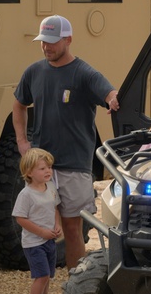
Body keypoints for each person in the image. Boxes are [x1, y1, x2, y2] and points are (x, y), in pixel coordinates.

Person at [13, 15, 118, 270]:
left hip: (74, 165)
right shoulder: (34, 72)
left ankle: (76, 284)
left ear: (68, 40)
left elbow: (109, 92)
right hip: (42, 166)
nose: (46, 47)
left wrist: (113, 99)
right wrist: (22, 141)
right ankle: (42, 289)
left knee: (72, 229)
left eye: (52, 42)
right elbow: (19, 104)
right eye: (43, 42)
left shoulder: (84, 72)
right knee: (40, 227)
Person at [12, 148, 61, 294]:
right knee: (41, 276)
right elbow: (20, 218)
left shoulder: (51, 188)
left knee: (47, 275)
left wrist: (57, 225)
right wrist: (41, 232)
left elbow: (55, 208)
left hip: (49, 239)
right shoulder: (26, 194)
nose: (48, 171)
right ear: (29, 173)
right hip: (34, 243)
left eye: (49, 167)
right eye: (42, 168)